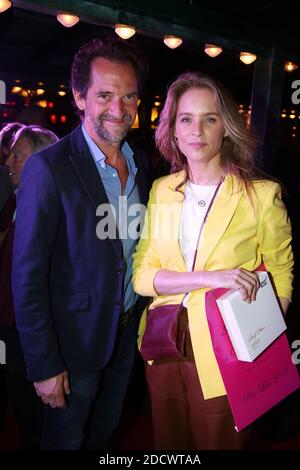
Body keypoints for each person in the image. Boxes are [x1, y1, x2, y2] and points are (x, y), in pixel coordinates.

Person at [132, 72, 293, 450]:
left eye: (210, 118)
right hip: (163, 341)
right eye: (186, 119)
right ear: (172, 129)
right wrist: (213, 276)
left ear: (227, 128)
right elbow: (143, 275)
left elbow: (282, 271)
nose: (197, 131)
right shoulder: (163, 190)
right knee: (168, 442)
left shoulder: (261, 195)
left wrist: (264, 339)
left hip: (227, 350)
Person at [12, 38, 149, 450]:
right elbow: (27, 276)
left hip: (125, 336)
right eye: (105, 95)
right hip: (72, 347)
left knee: (104, 433)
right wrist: (44, 365)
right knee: (65, 442)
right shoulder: (48, 168)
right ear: (79, 97)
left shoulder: (143, 164)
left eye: (129, 97)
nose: (119, 109)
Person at [0, 124, 58, 448]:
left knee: (35, 414)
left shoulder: (50, 208)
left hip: (28, 328)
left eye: (17, 156)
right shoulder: (15, 201)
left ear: (38, 161)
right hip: (9, 321)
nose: (9, 161)